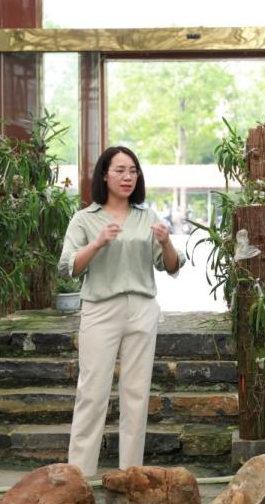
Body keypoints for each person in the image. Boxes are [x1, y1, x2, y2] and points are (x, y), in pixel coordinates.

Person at [59, 146, 184, 477]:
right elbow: (68, 267)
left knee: (136, 394)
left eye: (133, 171)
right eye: (120, 170)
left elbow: (171, 266)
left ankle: (131, 474)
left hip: (142, 307)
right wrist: (98, 242)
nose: (128, 177)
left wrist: (167, 242)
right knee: (91, 392)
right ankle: (79, 476)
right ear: (104, 175)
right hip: (100, 309)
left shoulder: (148, 217)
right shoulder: (85, 218)